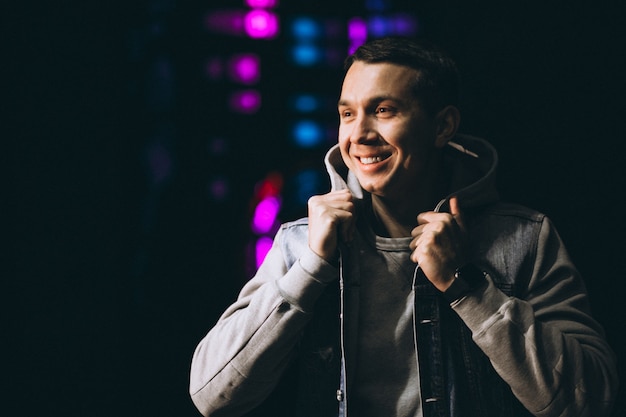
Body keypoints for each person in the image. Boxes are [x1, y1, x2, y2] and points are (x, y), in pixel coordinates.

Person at [188, 37, 618, 417]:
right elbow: (212, 396)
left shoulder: (525, 239)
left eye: (383, 110)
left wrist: (467, 287)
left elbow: (590, 400)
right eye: (348, 113)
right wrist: (309, 269)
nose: (359, 134)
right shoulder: (299, 243)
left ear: (443, 125)